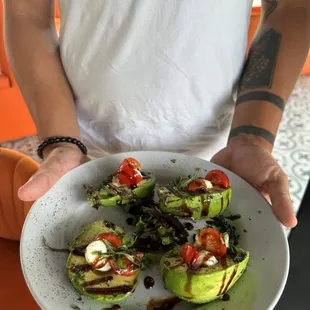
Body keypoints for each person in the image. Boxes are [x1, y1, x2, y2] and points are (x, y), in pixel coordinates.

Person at [4, 0, 310, 230]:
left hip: (224, 156)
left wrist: (251, 139)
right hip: (85, 152)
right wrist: (62, 140)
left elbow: (291, 6)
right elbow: (25, 13)